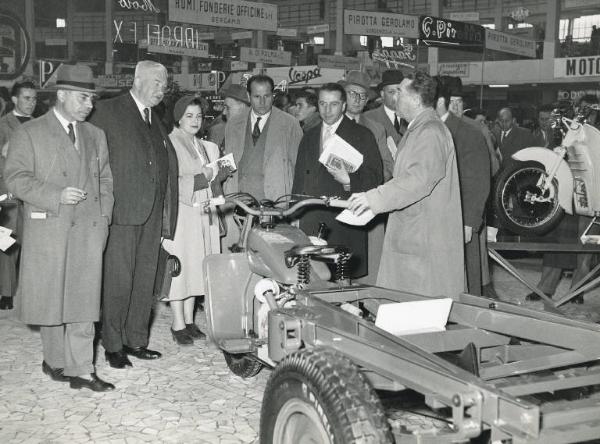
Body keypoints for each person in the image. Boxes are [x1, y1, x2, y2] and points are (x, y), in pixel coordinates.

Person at [3, 64, 114, 391]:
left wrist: (104, 216)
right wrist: (55, 195)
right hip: (50, 228)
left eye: (91, 99)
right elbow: (16, 178)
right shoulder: (30, 132)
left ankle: (82, 369)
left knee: (85, 299)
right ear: (62, 95)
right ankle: (55, 361)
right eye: (83, 98)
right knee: (52, 299)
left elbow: (106, 179)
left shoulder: (96, 135)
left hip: (88, 230)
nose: (89, 105)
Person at [90, 60, 179, 369]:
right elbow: (93, 162)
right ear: (138, 80)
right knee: (117, 281)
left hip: (152, 213)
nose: (162, 89)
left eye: (164, 84)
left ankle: (136, 340)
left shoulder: (156, 118)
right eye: (156, 82)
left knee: (144, 281)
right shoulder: (107, 112)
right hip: (120, 212)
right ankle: (113, 344)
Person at [348, 70, 464, 297]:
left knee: (418, 312)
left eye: (400, 91)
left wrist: (373, 198)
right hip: (416, 237)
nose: (393, 97)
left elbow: (417, 179)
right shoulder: (419, 129)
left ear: (415, 98)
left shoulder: (430, 131)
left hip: (422, 243)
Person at [292, 83, 383, 279]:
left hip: (344, 217)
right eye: (323, 104)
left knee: (343, 280)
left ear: (343, 106)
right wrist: (295, 212)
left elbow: (376, 178)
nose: (327, 110)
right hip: (312, 217)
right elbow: (299, 178)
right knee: (314, 279)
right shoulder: (309, 136)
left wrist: (349, 179)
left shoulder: (362, 135)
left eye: (333, 104)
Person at [163, 96, 226, 344]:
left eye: (199, 116)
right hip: (182, 214)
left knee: (197, 268)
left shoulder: (207, 146)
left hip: (204, 212)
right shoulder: (170, 143)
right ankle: (177, 323)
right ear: (178, 117)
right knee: (180, 268)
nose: (195, 121)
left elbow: (215, 179)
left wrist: (220, 175)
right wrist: (202, 178)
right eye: (189, 115)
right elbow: (170, 182)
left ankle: (189, 320)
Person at [435, 76, 490, 295]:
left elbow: (479, 180)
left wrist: (469, 222)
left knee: (464, 280)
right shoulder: (430, 128)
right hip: (437, 217)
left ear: (439, 102)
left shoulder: (468, 132)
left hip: (459, 218)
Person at [338, 70, 392, 284]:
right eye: (353, 93)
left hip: (368, 203)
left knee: (370, 265)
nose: (358, 99)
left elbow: (388, 166)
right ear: (343, 95)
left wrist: (370, 180)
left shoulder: (376, 129)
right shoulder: (328, 124)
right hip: (337, 201)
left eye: (363, 95)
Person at [0, 81, 37, 310]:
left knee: (32, 243)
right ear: (14, 99)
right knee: (6, 243)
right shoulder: (3, 125)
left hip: (33, 193)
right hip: (7, 193)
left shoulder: (40, 125)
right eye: (26, 98)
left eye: (34, 99)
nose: (31, 103)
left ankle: (31, 291)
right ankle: (5, 293)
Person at [363, 70, 406, 147]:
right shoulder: (368, 118)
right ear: (382, 94)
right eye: (391, 92)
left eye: (399, 92)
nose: (396, 97)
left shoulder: (412, 117)